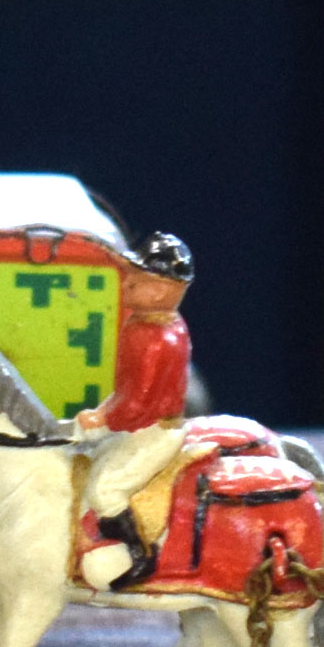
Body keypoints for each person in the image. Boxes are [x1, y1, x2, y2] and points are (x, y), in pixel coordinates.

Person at [75, 233, 197, 591]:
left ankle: (138, 555)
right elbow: (126, 391)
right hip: (138, 426)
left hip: (152, 430)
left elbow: (139, 403)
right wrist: (103, 411)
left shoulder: (156, 337)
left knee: (105, 490)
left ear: (159, 291)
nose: (125, 284)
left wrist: (103, 419)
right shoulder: (143, 326)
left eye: (135, 280)